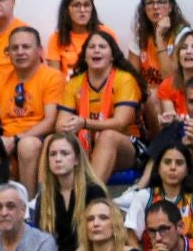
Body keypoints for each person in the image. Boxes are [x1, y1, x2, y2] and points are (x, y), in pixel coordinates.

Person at [59, 29, 145, 185]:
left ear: (112, 56)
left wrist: (84, 123)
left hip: (127, 146)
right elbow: (60, 125)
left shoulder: (124, 79)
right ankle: (42, 198)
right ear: (85, 56)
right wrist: (74, 129)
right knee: (52, 141)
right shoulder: (74, 83)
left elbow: (120, 123)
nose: (96, 50)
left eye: (102, 46)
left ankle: (89, 196)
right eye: (91, 47)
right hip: (85, 145)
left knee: (108, 136)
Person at [30, 131, 106, 251]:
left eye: (64, 153)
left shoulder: (94, 191)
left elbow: (98, 238)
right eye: (53, 154)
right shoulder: (44, 196)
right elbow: (40, 240)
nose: (58, 159)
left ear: (76, 159)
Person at [48, 0, 105, 77]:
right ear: (66, 10)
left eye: (86, 5)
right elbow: (54, 78)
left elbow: (115, 70)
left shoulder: (106, 33)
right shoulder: (57, 38)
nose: (82, 10)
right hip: (68, 88)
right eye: (76, 5)